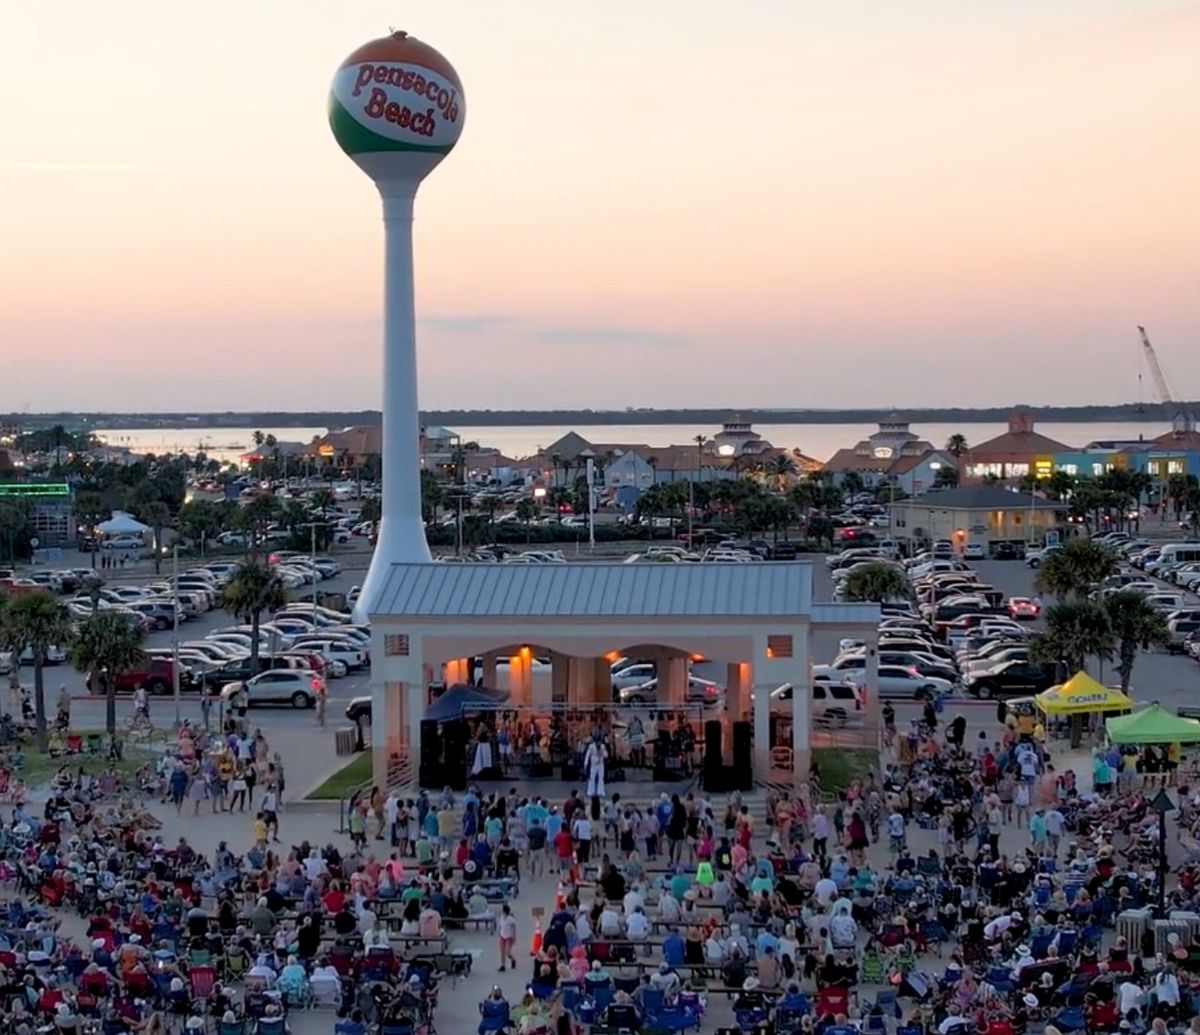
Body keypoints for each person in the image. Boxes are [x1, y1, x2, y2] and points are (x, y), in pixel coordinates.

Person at [497, 903, 517, 972]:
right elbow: (500, 926)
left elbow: (514, 929)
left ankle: (513, 959)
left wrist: (514, 937)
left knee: (507, 952)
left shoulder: (511, 919)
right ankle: (503, 966)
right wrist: (499, 933)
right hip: (502, 937)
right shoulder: (501, 917)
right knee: (502, 952)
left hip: (509, 937)